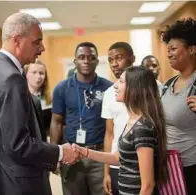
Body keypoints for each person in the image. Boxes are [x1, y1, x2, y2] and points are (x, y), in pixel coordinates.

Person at [0, 12, 77, 195]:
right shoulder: (11, 78)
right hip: (18, 182)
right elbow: (18, 144)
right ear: (17, 41)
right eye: (37, 42)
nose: (42, 48)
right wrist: (60, 151)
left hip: (1, 176)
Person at [73, 66, 168, 195]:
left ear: (135, 88)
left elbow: (148, 185)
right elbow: (117, 158)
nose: (115, 86)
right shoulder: (132, 122)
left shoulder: (142, 128)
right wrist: (85, 152)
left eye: (121, 82)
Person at [50, 42, 112, 195]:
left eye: (91, 58)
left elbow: (112, 127)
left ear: (97, 61)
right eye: (81, 57)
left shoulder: (109, 88)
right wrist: (53, 154)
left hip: (99, 155)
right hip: (72, 154)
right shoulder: (61, 88)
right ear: (75, 61)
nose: (86, 61)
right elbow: (56, 122)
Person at [160, 17, 196, 195]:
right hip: (170, 167)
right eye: (168, 49)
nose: (168, 54)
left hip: (192, 168)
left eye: (173, 48)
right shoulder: (168, 84)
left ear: (191, 49)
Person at [101, 42, 135, 195]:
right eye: (110, 60)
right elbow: (109, 134)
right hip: (117, 165)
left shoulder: (153, 86)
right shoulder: (110, 93)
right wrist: (106, 172)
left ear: (132, 59)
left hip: (143, 162)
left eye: (119, 58)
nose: (114, 64)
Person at [24, 60, 51, 141]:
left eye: (41, 73)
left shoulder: (49, 99)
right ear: (26, 74)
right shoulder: (22, 97)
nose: (38, 77)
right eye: (34, 72)